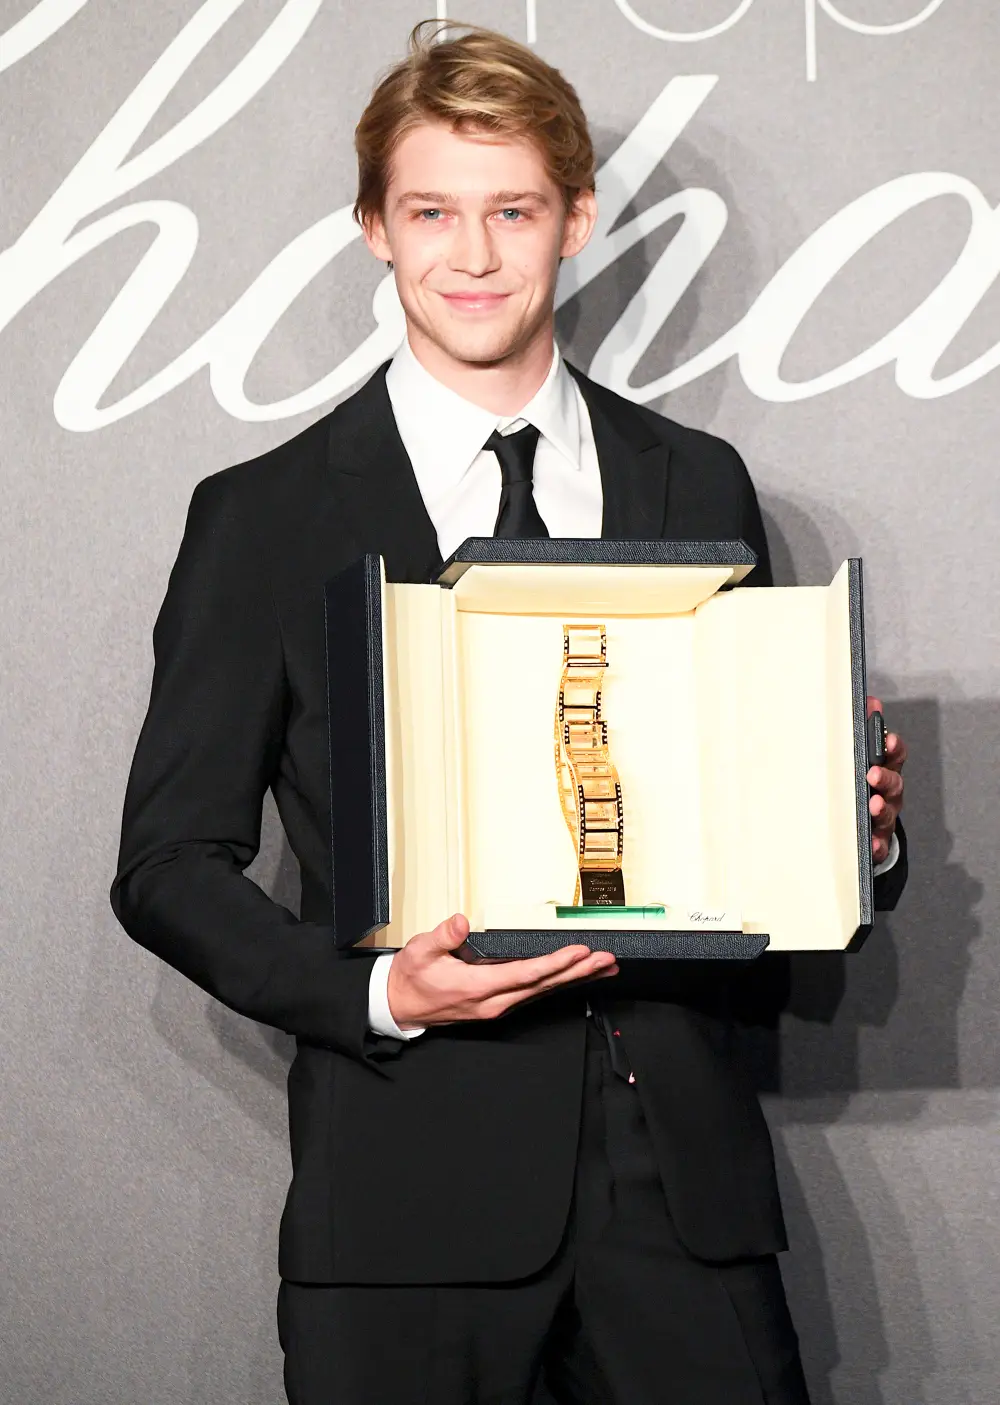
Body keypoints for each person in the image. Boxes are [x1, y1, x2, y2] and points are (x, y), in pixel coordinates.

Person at [110, 20, 907, 1405]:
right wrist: (377, 991)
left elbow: (752, 870)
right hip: (405, 1205)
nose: (472, 256)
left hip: (689, 1210)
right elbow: (169, 864)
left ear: (575, 218)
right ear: (374, 227)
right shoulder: (266, 515)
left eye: (512, 211)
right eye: (431, 211)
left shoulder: (698, 481)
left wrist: (851, 838)